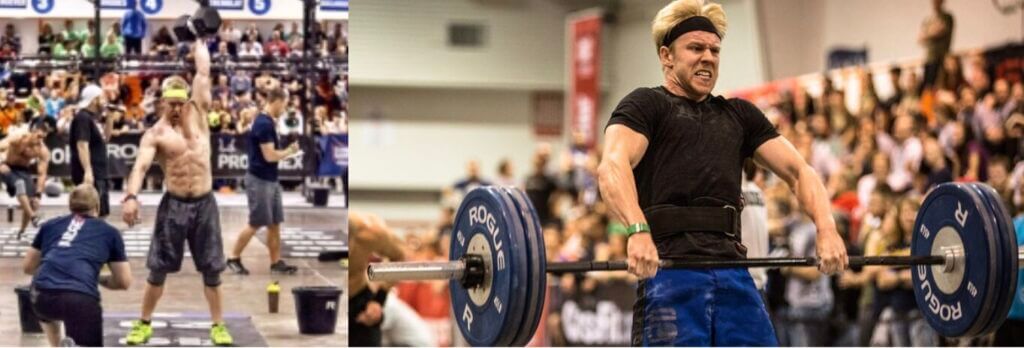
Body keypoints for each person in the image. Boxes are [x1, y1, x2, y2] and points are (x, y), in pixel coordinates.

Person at [596, 0, 847, 345]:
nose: (708, 57)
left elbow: (799, 171)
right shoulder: (645, 105)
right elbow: (612, 165)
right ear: (666, 56)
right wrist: (637, 230)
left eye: (715, 50)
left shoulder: (739, 115)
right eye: (696, 48)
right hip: (672, 270)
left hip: (732, 271)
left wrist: (827, 228)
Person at [120, 42, 234, 345]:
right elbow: (140, 168)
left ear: (186, 102)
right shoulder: (155, 135)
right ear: (161, 104)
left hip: (205, 204)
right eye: (169, 103)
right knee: (158, 269)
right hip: (173, 206)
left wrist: (199, 38)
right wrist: (131, 196)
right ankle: (144, 323)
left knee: (212, 270)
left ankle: (218, 326)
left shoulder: (200, 114)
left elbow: (203, 70)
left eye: (179, 103)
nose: (174, 108)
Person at [22, 184, 132, 347]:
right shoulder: (110, 232)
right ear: (97, 207)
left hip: (41, 295)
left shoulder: (50, 225)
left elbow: (28, 268)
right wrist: (96, 278)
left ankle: (58, 344)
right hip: (79, 299)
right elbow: (124, 281)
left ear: (70, 206)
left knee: (47, 304)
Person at [226, 88, 301, 275]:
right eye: (284, 104)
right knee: (256, 222)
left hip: (270, 179)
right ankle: (233, 257)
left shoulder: (267, 122)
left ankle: (276, 262)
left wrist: (285, 153)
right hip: (259, 180)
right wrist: (290, 152)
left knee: (274, 223)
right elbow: (270, 156)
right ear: (276, 100)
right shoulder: (264, 124)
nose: (284, 109)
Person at [349, 211, 408, 347]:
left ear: (354, 238)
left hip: (358, 299)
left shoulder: (373, 232)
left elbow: (400, 257)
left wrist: (379, 300)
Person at [0, 118, 52, 238]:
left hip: (23, 171)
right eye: (38, 136)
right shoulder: (18, 137)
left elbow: (42, 174)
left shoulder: (42, 150)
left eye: (43, 138)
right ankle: (34, 217)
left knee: (33, 202)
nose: (40, 140)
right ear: (32, 131)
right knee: (19, 184)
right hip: (7, 167)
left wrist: (38, 194)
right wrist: (1, 162)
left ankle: (22, 231)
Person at [70, 84, 113, 218]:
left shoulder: (93, 118)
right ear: (94, 100)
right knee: (92, 212)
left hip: (100, 172)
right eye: (101, 98)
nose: (104, 101)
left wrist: (110, 118)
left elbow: (105, 138)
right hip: (92, 172)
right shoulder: (83, 118)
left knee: (102, 211)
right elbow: (82, 145)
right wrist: (88, 171)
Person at [918, 0, 954, 92]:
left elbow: (939, 31)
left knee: (940, 86)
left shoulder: (947, 17)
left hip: (941, 58)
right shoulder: (927, 20)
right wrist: (931, 32)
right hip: (929, 58)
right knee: (928, 87)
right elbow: (920, 38)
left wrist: (927, 33)